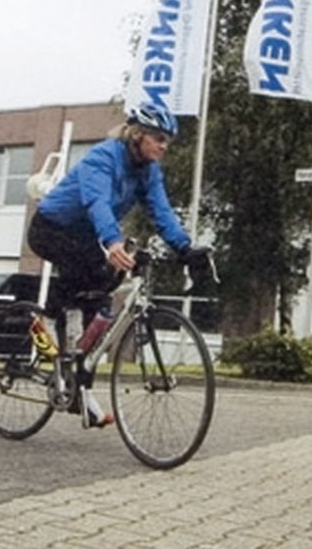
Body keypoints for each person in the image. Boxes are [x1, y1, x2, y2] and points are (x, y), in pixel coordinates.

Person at [28, 103, 203, 427]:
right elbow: (98, 201)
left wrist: (184, 247)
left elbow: (161, 211)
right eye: (158, 138)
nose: (164, 146)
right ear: (137, 135)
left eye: (168, 141)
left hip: (85, 235)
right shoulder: (104, 157)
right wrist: (112, 241)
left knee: (103, 298)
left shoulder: (149, 172)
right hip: (50, 227)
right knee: (84, 271)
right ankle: (46, 321)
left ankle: (78, 389)